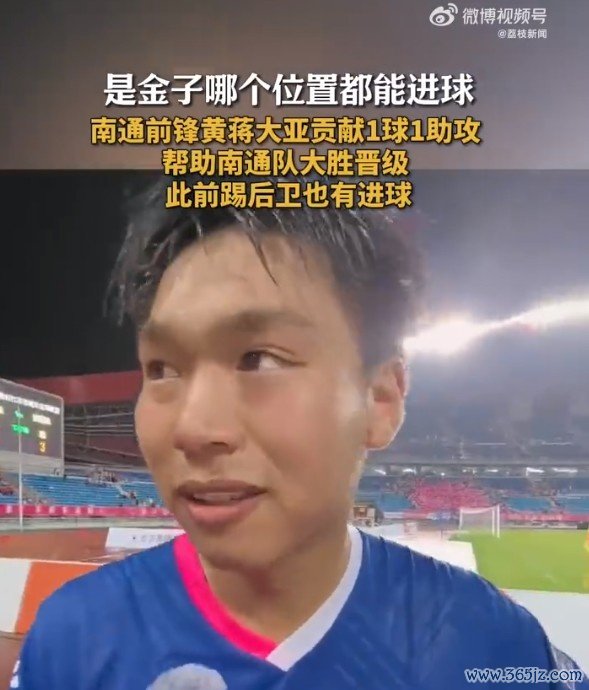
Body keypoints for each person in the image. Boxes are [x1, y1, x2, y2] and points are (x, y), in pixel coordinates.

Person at [12, 175, 587, 689]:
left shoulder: (490, 644)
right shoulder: (71, 640)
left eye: (259, 359)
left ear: (381, 399)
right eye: (161, 369)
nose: (192, 428)